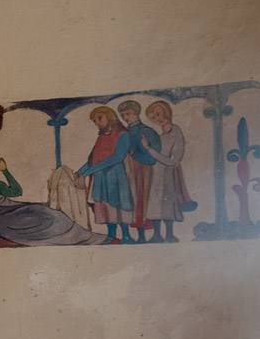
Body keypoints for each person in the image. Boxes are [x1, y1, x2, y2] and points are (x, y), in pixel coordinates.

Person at [0, 158, 111, 245]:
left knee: (49, 213)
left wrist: (5, 170)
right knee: (44, 215)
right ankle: (81, 237)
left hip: (16, 209)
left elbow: (17, 191)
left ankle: (83, 236)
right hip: (1, 218)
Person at [75, 106, 136, 243]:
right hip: (101, 178)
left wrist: (86, 174)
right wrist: (78, 173)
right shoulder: (101, 137)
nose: (97, 122)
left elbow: (118, 157)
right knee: (106, 208)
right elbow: (92, 161)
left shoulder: (123, 134)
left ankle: (126, 236)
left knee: (120, 206)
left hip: (117, 177)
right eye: (94, 121)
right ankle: (111, 236)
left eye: (99, 118)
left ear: (110, 116)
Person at [141, 100, 194, 242]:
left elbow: (173, 160)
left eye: (158, 114)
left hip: (168, 175)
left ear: (167, 112)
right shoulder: (159, 136)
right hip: (154, 175)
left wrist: (149, 149)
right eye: (153, 118)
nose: (157, 119)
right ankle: (156, 235)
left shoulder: (176, 132)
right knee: (154, 204)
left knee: (167, 204)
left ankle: (170, 234)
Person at [117, 100, 161, 243]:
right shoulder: (124, 132)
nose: (125, 117)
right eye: (122, 115)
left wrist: (135, 155)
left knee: (143, 201)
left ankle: (147, 236)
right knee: (132, 201)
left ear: (136, 113)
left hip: (143, 170)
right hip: (128, 171)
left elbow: (153, 157)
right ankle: (139, 236)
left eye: (128, 113)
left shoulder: (147, 131)